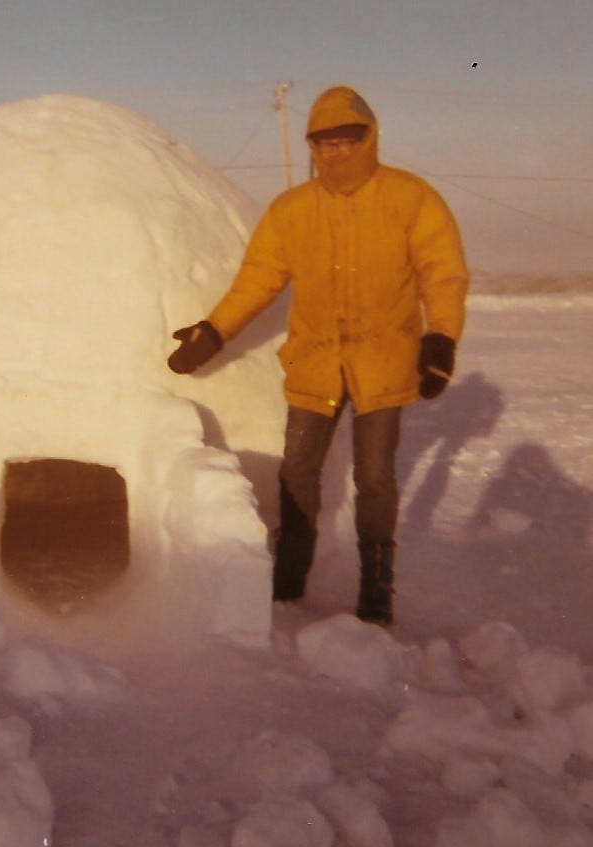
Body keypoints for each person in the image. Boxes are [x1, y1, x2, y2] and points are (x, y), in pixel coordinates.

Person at [167, 86, 468, 625]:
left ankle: (377, 586)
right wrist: (215, 332)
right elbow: (258, 279)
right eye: (324, 142)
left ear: (367, 138)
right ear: (313, 146)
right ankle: (289, 575)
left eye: (346, 140)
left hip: (383, 361)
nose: (334, 151)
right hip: (316, 361)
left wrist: (440, 338)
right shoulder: (292, 210)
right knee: (298, 470)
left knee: (374, 477)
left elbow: (441, 271)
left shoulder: (410, 198)